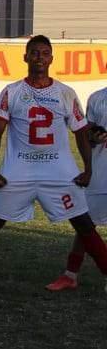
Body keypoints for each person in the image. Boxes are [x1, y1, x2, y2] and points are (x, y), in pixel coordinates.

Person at [0, 36, 107, 292]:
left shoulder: (65, 93)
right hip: (19, 169)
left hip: (58, 170)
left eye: (44, 53)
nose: (39, 57)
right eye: (34, 53)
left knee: (84, 224)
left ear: (51, 59)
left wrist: (88, 169)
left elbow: (80, 133)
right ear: (25, 57)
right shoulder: (11, 92)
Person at [46, 86, 107, 291]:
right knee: (86, 224)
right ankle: (70, 275)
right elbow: (88, 136)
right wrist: (94, 138)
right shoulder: (97, 97)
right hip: (101, 172)